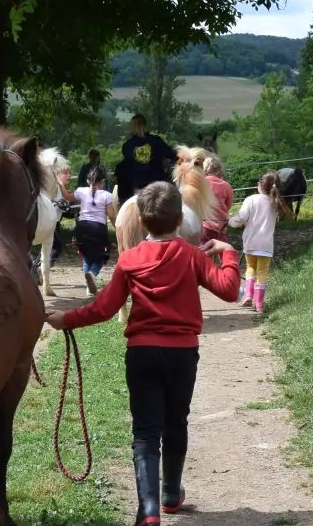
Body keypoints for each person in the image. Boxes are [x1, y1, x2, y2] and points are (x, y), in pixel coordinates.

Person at [45, 181, 240, 526]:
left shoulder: (131, 259)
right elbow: (228, 290)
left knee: (146, 432)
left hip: (142, 354)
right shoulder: (192, 256)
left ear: (141, 221)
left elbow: (104, 308)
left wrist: (66, 319)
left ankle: (148, 510)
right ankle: (170, 494)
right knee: (176, 421)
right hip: (182, 355)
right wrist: (227, 252)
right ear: (181, 218)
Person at [227, 171, 291, 313]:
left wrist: (230, 221)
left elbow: (242, 218)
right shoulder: (276, 202)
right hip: (266, 245)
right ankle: (259, 304)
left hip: (250, 242)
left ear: (260, 185)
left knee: (250, 267)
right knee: (262, 272)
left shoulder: (251, 199)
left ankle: (248, 296)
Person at [72, 165, 117, 297]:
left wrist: (61, 184)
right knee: (102, 256)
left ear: (88, 180)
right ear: (102, 182)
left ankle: (88, 286)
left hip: (81, 227)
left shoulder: (81, 191)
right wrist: (117, 227)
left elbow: (67, 196)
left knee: (87, 256)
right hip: (98, 229)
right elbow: (111, 215)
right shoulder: (107, 195)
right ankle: (92, 274)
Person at [121, 114, 177, 197]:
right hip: (155, 185)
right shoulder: (156, 141)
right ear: (144, 125)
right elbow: (173, 155)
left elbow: (127, 166)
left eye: (132, 125)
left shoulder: (128, 145)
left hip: (139, 186)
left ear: (134, 126)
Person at [201, 155, 233, 245]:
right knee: (223, 249)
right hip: (221, 226)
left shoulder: (200, 184)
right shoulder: (226, 185)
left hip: (204, 225)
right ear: (219, 170)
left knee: (204, 252)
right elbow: (229, 204)